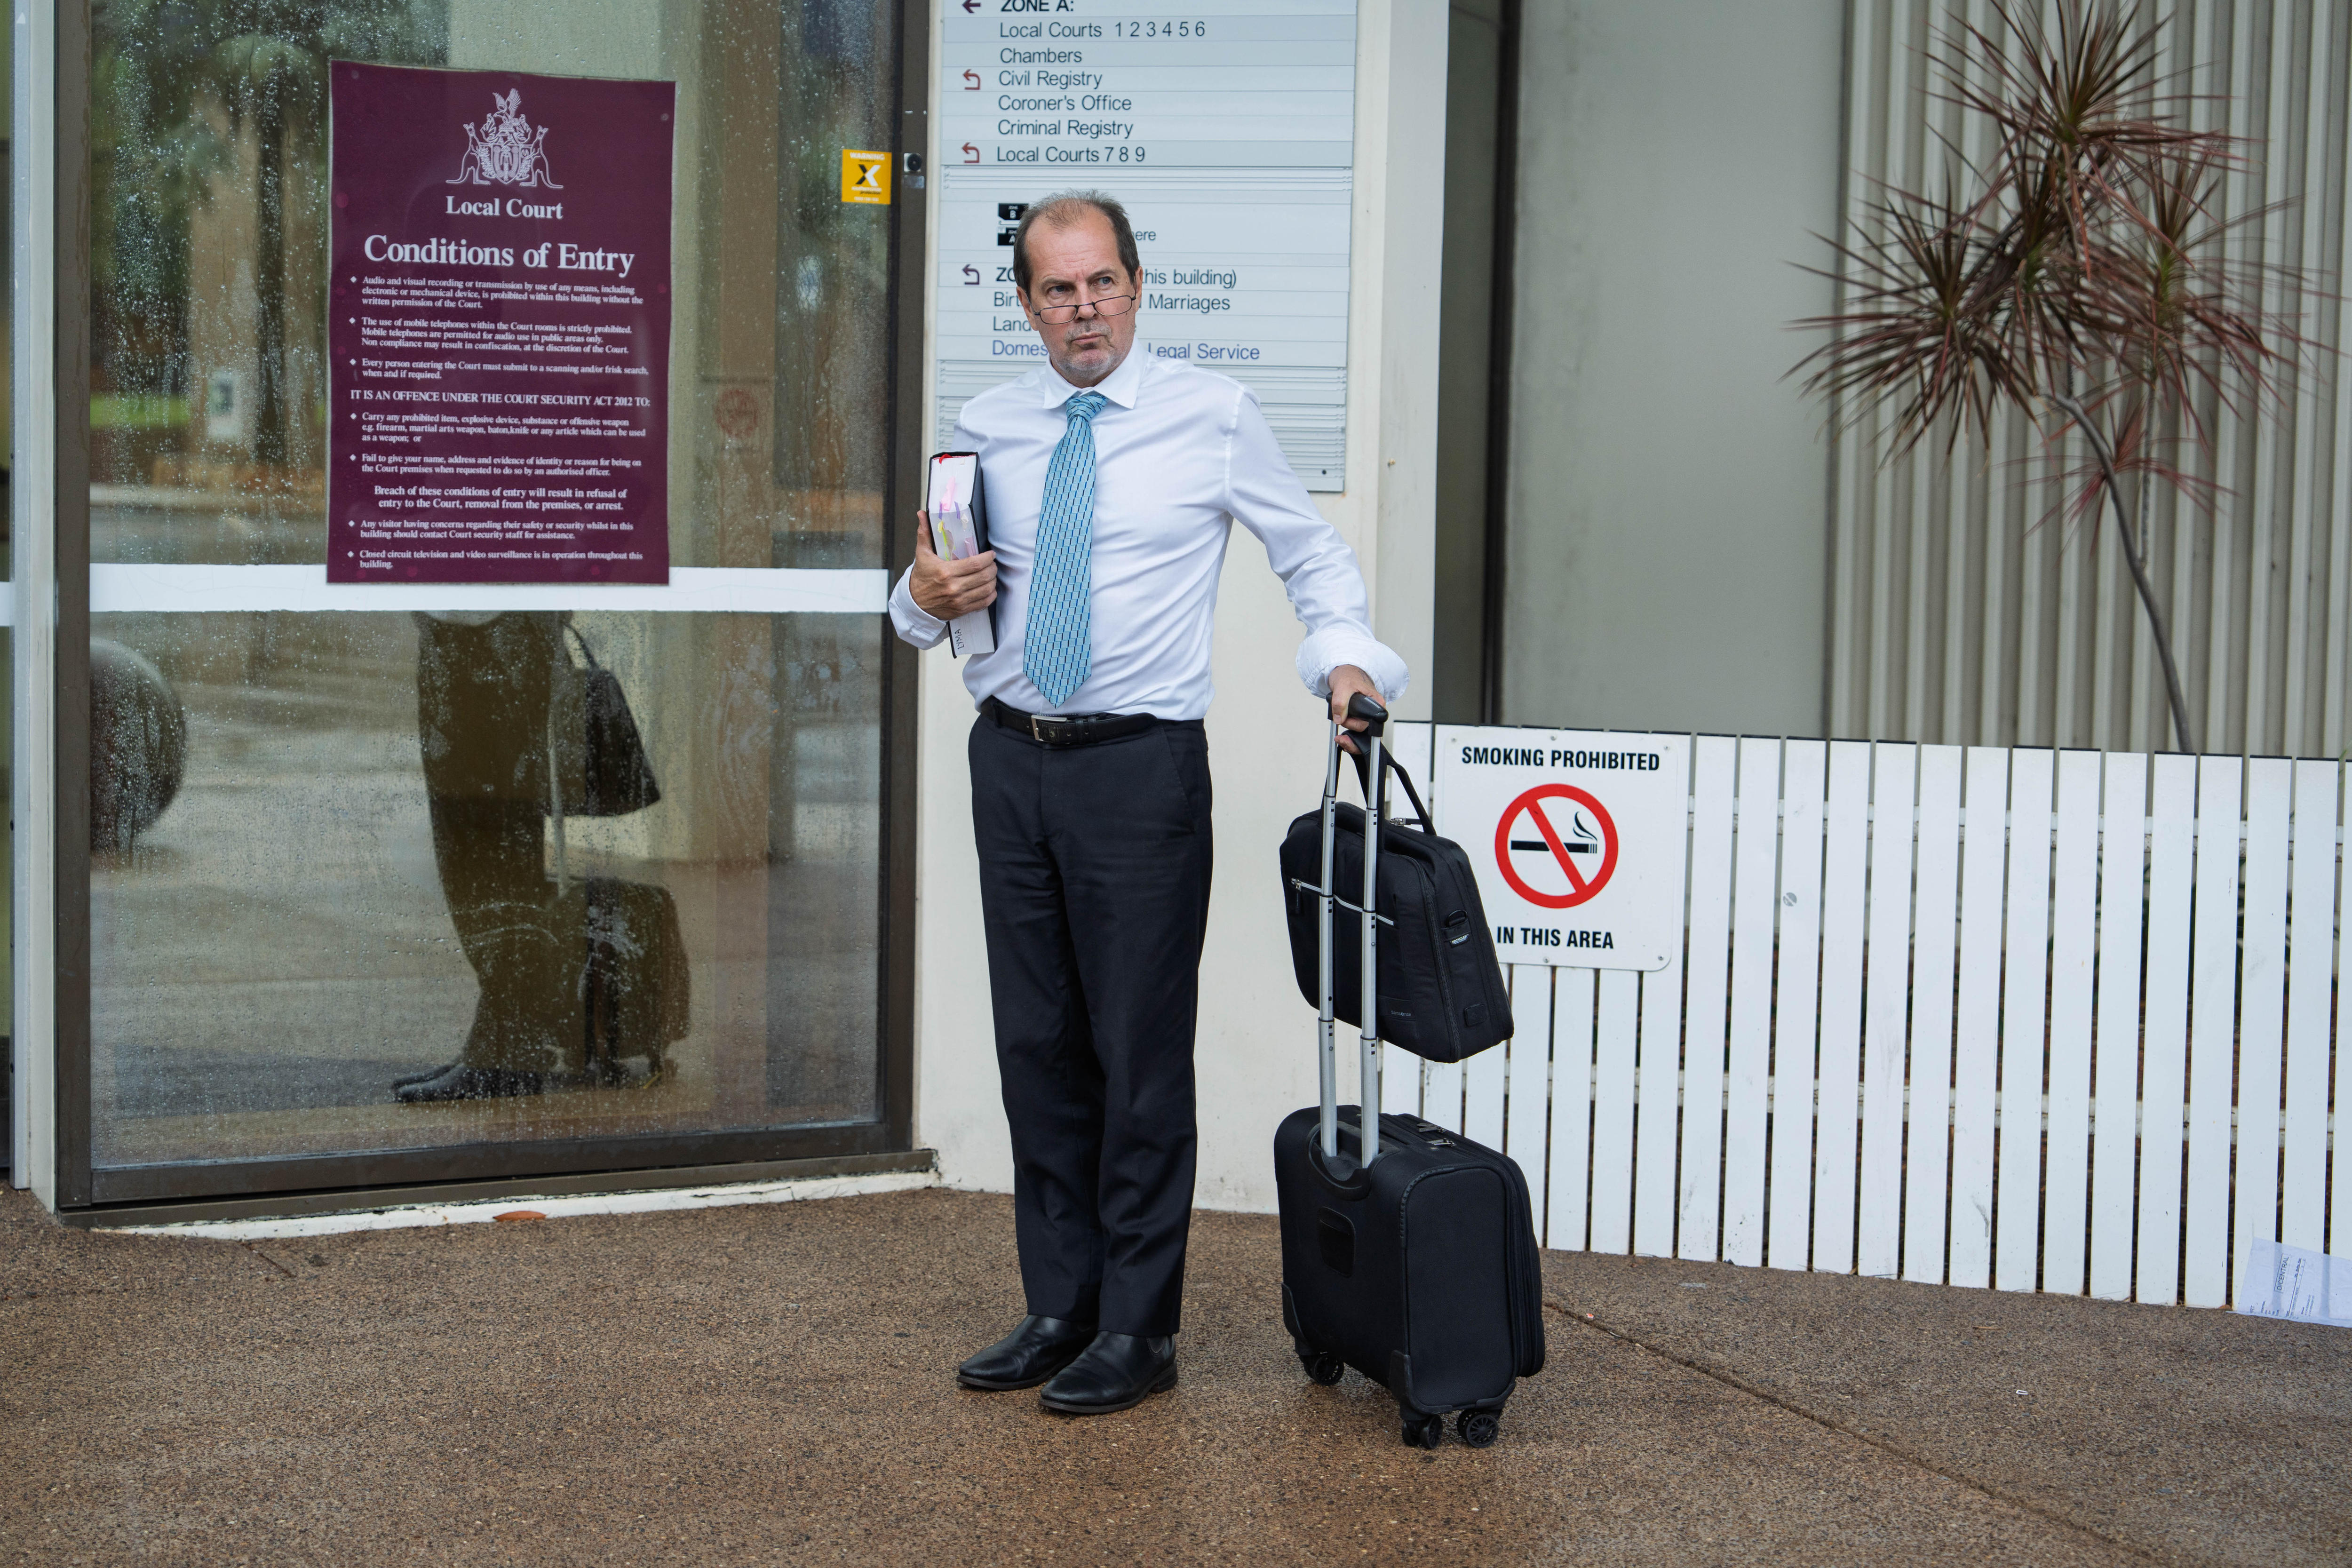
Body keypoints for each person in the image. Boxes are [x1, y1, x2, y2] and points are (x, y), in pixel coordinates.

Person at [888, 190, 1406, 1415]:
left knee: (1136, 1053)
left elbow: (1310, 555)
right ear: (1026, 304)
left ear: (1135, 283)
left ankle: (1139, 1326)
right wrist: (920, 589)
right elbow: (920, 605)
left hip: (1139, 770)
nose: (1085, 309)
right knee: (1039, 1046)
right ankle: (1061, 1305)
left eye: (1103, 282)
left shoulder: (1210, 416)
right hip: (1009, 757)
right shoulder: (988, 426)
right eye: (1058, 290)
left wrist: (1346, 660)